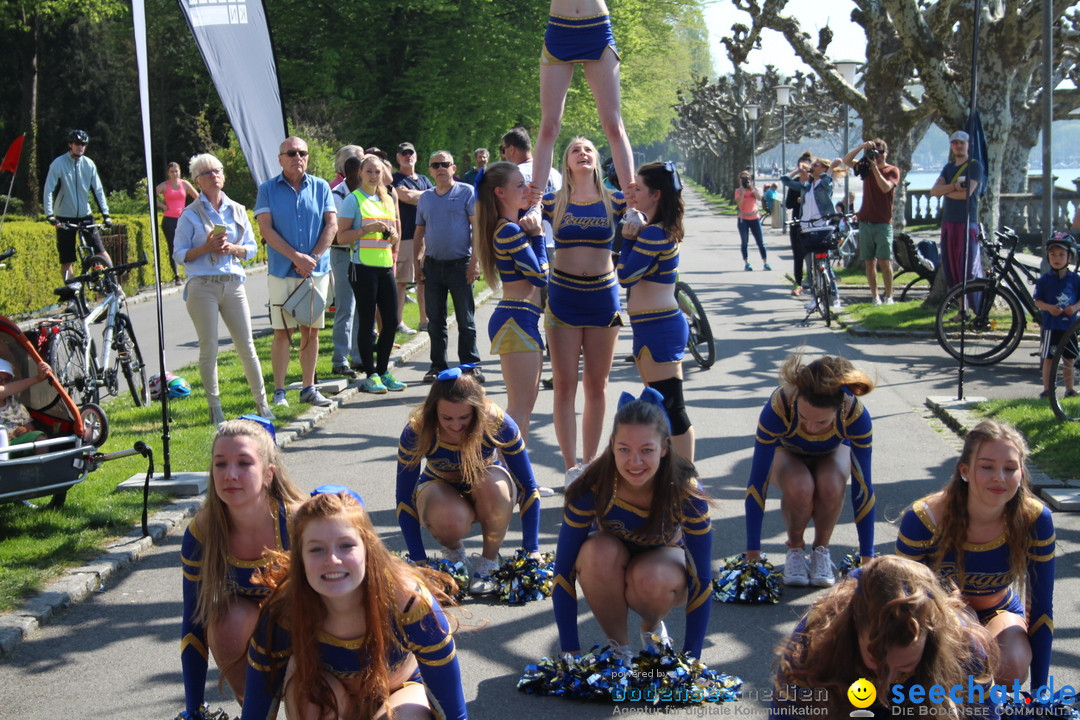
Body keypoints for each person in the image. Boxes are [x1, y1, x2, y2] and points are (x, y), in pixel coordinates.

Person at [240, 489, 467, 720]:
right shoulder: (284, 610)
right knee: (309, 700)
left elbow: (454, 711)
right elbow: (256, 709)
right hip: (327, 696)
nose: (332, 560)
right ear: (300, 557)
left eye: (346, 545)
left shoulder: (408, 601)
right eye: (316, 549)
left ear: (368, 549)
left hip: (399, 692)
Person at [552, 390, 712, 660]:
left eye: (646, 450)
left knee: (651, 578)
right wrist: (570, 654)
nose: (634, 462)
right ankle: (619, 649)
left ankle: (651, 628)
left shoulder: (686, 491)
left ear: (664, 447)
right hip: (609, 562)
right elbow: (562, 571)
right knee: (595, 553)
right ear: (612, 444)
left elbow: (702, 579)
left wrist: (692, 659)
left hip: (661, 569)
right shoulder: (592, 485)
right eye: (624, 449)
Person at [896, 419, 1056, 688]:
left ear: (1022, 473)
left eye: (1010, 468)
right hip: (939, 617)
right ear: (965, 471)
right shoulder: (924, 518)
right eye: (986, 466)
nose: (999, 477)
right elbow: (902, 603)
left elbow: (1041, 610)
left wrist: (1041, 696)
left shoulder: (1035, 519)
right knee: (966, 657)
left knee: (1013, 662)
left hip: (999, 611)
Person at [180, 419, 305, 718]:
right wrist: (193, 708)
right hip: (259, 635)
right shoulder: (203, 531)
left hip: (314, 633)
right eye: (220, 464)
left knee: (305, 697)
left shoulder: (302, 521)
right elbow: (193, 624)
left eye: (244, 463)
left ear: (268, 474)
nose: (230, 475)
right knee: (224, 620)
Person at [771, 556, 998, 718]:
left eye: (906, 665)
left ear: (932, 636)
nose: (888, 681)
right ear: (854, 630)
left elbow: (985, 715)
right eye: (877, 663)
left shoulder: (964, 645)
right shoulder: (812, 644)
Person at [396, 369, 541, 595]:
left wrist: (531, 549)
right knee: (449, 517)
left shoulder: (496, 421)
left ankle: (489, 561)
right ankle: (454, 552)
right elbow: (404, 497)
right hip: (438, 486)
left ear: (477, 409)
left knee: (497, 488)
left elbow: (528, 486)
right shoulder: (418, 429)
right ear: (434, 411)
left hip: (486, 481)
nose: (456, 426)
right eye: (447, 418)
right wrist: (418, 560)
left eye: (465, 417)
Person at [744, 352, 876, 588]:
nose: (811, 427)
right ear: (797, 397)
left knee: (831, 485)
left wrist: (868, 558)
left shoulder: (855, 414)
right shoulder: (780, 405)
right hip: (786, 452)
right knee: (801, 486)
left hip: (833, 452)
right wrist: (752, 553)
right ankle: (795, 549)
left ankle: (820, 551)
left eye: (821, 422)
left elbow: (863, 487)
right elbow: (757, 482)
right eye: (804, 417)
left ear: (840, 407)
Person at [542, 137, 626, 489]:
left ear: (597, 159)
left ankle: (591, 464)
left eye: (589, 149)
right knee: (564, 384)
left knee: (597, 384)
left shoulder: (616, 201)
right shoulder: (551, 202)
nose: (582, 153)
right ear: (566, 161)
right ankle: (571, 465)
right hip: (562, 295)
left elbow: (657, 207)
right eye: (575, 149)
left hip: (604, 298)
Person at [174, 153, 276, 425]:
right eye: (207, 173)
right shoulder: (189, 214)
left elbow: (253, 248)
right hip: (202, 286)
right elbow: (179, 254)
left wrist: (233, 249)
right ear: (197, 180)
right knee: (209, 349)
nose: (214, 176)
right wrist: (205, 248)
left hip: (232, 284)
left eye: (217, 171)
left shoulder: (238, 209)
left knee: (247, 346)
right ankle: (215, 408)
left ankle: (262, 404)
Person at [619, 162, 695, 462]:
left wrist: (626, 239)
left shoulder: (654, 235)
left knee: (672, 407)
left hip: (659, 327)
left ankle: (687, 480)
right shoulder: (654, 231)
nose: (632, 192)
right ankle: (674, 475)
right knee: (662, 407)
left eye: (639, 188)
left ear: (656, 195)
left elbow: (625, 276)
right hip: (652, 326)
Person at [255, 136, 337, 409]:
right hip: (282, 271)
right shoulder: (267, 189)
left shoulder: (322, 187)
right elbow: (265, 229)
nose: (297, 157)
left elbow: (331, 225)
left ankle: (308, 388)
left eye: (302, 152)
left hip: (315, 272)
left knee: (310, 331)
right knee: (282, 332)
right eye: (291, 153)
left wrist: (311, 259)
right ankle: (279, 392)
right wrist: (296, 257)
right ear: (280, 159)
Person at [531, 0, 636, 201]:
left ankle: (632, 203)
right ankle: (535, 204)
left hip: (595, 27)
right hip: (560, 29)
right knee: (548, 126)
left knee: (613, 125)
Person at [474, 161, 549, 439]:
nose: (526, 188)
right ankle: (508, 477)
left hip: (522, 320)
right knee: (518, 411)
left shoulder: (511, 227)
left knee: (523, 409)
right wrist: (538, 236)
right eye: (519, 184)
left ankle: (519, 479)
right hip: (516, 321)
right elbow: (540, 276)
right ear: (499, 193)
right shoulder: (509, 230)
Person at [337, 154, 406, 394]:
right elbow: (341, 237)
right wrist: (366, 229)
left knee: (390, 322)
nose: (374, 176)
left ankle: (383, 370)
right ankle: (370, 374)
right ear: (360, 173)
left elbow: (394, 234)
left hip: (385, 265)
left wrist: (394, 237)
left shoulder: (386, 199)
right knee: (366, 323)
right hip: (362, 267)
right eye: (369, 171)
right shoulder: (352, 200)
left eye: (378, 172)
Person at [414, 151, 483, 384]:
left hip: (461, 265)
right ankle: (437, 366)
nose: (441, 168)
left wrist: (475, 262)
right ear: (430, 170)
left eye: (445, 164)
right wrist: (417, 262)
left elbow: (477, 230)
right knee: (435, 320)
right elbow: (419, 232)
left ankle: (469, 365)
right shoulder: (426, 198)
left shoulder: (466, 192)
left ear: (453, 168)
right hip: (433, 266)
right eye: (436, 165)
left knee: (466, 319)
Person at [42, 129, 112, 279]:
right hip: (64, 217)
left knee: (100, 251)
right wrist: (50, 215)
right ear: (70, 144)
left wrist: (106, 215)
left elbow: (98, 190)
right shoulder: (58, 164)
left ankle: (114, 285)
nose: (81, 147)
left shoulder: (89, 164)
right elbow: (48, 190)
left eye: (84, 144)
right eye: (77, 143)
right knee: (67, 259)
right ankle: (71, 295)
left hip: (85, 215)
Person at [843, 138, 901, 305]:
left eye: (881, 152)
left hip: (883, 222)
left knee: (885, 260)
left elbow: (885, 188)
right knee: (869, 261)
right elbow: (846, 161)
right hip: (866, 221)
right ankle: (875, 296)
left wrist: (875, 166)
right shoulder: (865, 167)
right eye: (875, 152)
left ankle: (889, 295)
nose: (878, 156)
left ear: (886, 153)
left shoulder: (892, 170)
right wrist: (862, 147)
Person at [780, 157, 840, 310]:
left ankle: (835, 296)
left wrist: (831, 167)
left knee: (824, 264)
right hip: (806, 228)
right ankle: (815, 298)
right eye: (812, 164)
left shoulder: (825, 184)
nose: (812, 166)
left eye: (815, 165)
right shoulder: (806, 186)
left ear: (823, 169)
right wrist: (798, 171)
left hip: (821, 228)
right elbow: (785, 180)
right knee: (810, 266)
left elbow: (828, 179)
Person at [930, 130, 984, 292]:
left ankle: (972, 307)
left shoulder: (974, 166)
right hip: (948, 222)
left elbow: (966, 195)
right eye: (955, 143)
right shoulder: (948, 168)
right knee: (951, 268)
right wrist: (954, 187)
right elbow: (933, 192)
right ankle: (961, 309)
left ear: (968, 145)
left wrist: (944, 190)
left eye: (962, 143)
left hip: (966, 222)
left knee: (967, 269)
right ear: (951, 146)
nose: (959, 146)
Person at [329, 145, 365, 378]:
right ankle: (340, 359)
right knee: (346, 307)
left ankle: (359, 356)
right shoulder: (337, 195)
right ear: (348, 174)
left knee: (363, 307)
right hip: (343, 254)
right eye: (356, 174)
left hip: (365, 255)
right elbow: (336, 233)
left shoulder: (367, 193)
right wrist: (361, 231)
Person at [1033, 232, 1080, 399]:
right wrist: (1049, 308)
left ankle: (1069, 389)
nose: (1056, 258)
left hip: (1069, 328)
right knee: (1049, 359)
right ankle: (1047, 389)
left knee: (1069, 360)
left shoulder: (1075, 279)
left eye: (1061, 254)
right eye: (1052, 254)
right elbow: (1037, 301)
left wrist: (1074, 307)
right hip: (1051, 327)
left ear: (1070, 257)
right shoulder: (1045, 280)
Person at [393, 142, 432, 335]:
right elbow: (406, 196)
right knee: (402, 281)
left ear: (416, 156)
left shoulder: (424, 179)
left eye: (411, 153)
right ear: (398, 158)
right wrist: (427, 195)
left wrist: (420, 195)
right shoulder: (395, 179)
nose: (408, 156)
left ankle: (424, 320)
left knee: (423, 280)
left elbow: (435, 198)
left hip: (427, 236)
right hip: (406, 237)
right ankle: (398, 322)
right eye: (404, 154)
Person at [156, 161, 199, 282]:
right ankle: (177, 275)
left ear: (180, 172)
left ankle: (191, 270)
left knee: (189, 243)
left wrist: (190, 210)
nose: (174, 173)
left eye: (176, 171)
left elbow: (198, 197)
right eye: (172, 171)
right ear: (168, 173)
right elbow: (150, 196)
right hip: (169, 219)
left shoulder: (184, 184)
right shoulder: (165, 185)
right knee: (173, 246)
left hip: (183, 219)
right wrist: (162, 205)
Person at [0, 358, 50, 451]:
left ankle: (40, 465)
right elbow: (5, 390)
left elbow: (33, 431)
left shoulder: (17, 406)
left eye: (7, 380)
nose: (3, 383)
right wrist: (38, 378)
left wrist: (25, 431)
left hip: (16, 446)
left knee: (40, 439)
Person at [784, 150, 813, 296]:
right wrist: (797, 201)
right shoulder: (795, 183)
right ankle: (798, 283)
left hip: (812, 222)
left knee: (813, 253)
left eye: (806, 166)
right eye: (801, 167)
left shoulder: (814, 182)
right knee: (798, 255)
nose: (803, 170)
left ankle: (815, 282)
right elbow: (788, 204)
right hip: (797, 222)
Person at [734, 170, 770, 272]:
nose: (745, 180)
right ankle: (747, 263)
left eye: (747, 178)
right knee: (745, 242)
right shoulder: (738, 191)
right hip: (743, 219)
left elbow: (759, 198)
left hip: (755, 218)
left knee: (760, 242)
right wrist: (743, 192)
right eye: (743, 178)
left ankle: (765, 262)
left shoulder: (754, 189)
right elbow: (739, 204)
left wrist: (752, 189)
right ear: (740, 180)